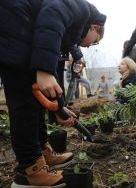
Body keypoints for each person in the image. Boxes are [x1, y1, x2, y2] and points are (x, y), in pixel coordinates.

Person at [0, 0, 106, 187]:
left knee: (33, 99)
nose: (89, 46)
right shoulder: (79, 8)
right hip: (13, 24)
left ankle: (40, 153)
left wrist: (58, 105)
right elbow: (51, 16)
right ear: (95, 27)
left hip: (18, 27)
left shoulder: (72, 27)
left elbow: (50, 50)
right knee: (24, 101)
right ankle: (29, 170)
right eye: (95, 41)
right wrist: (45, 70)